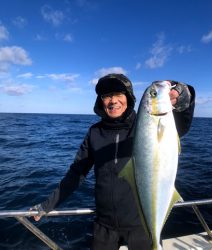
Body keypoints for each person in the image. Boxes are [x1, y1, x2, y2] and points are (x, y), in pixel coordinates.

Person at [31, 73, 195, 250]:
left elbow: (182, 124)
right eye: (107, 96)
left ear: (128, 97)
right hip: (104, 226)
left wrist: (184, 93)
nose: (113, 101)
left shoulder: (146, 124)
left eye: (118, 94)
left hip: (141, 225)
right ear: (101, 101)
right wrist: (48, 205)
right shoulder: (94, 133)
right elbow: (77, 172)